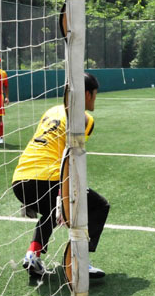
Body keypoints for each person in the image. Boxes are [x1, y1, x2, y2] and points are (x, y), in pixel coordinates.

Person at [12, 72, 109, 278]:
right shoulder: (85, 119)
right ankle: (80, 261)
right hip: (49, 177)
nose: (95, 99)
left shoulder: (52, 110)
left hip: (20, 178)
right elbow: (71, 158)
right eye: (95, 94)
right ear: (86, 94)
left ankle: (33, 255)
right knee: (98, 205)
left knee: (50, 212)